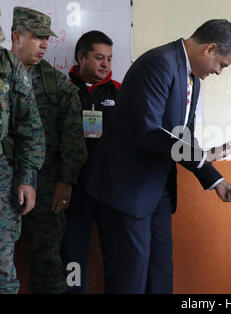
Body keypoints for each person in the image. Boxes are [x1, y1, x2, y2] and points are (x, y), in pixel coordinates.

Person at [82, 19, 231, 293]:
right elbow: (150, 132)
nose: (219, 72)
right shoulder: (159, 63)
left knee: (160, 273)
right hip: (127, 189)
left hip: (158, 191)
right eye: (222, 64)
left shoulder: (193, 79)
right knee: (129, 278)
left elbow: (183, 136)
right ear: (210, 48)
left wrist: (214, 175)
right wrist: (205, 166)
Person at [10, 6, 87, 294]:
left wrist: (65, 182)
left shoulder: (58, 86)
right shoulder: (3, 77)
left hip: (44, 190)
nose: (44, 44)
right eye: (37, 37)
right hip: (4, 185)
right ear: (17, 36)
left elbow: (73, 139)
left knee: (47, 265)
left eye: (47, 38)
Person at [60, 30, 121, 293]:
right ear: (80, 57)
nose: (105, 64)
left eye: (109, 58)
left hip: (110, 190)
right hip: (74, 190)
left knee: (116, 256)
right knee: (73, 257)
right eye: (98, 58)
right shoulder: (62, 90)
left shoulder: (119, 92)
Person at [0, 10, 46, 294]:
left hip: (2, 177)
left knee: (2, 263)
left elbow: (30, 127)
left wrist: (27, 177)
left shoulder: (8, 67)